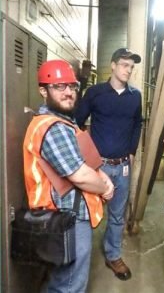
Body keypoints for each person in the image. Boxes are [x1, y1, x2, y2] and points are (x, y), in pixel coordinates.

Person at [23, 59, 114, 292]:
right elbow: (80, 175)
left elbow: (84, 160)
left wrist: (102, 174)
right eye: (59, 87)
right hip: (67, 218)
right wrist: (104, 188)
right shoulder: (52, 127)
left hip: (70, 216)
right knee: (70, 285)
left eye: (72, 87)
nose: (68, 93)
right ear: (43, 91)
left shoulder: (65, 121)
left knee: (62, 281)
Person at [75, 48, 143, 280]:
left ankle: (113, 255)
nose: (128, 70)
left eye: (131, 67)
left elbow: (137, 124)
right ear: (113, 65)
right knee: (85, 212)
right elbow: (77, 123)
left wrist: (132, 153)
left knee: (117, 215)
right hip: (98, 167)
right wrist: (89, 157)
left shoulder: (135, 96)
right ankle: (78, 254)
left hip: (122, 166)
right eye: (124, 65)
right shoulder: (96, 93)